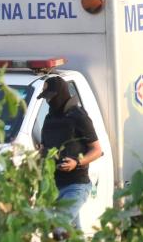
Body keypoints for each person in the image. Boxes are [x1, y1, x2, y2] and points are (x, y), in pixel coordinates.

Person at [37, 75, 103, 228]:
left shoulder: (79, 116)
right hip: (53, 187)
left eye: (51, 98)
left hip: (76, 185)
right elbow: (43, 147)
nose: (49, 101)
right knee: (72, 240)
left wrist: (77, 162)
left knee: (58, 228)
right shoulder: (48, 118)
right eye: (46, 98)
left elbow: (97, 150)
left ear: (61, 95)